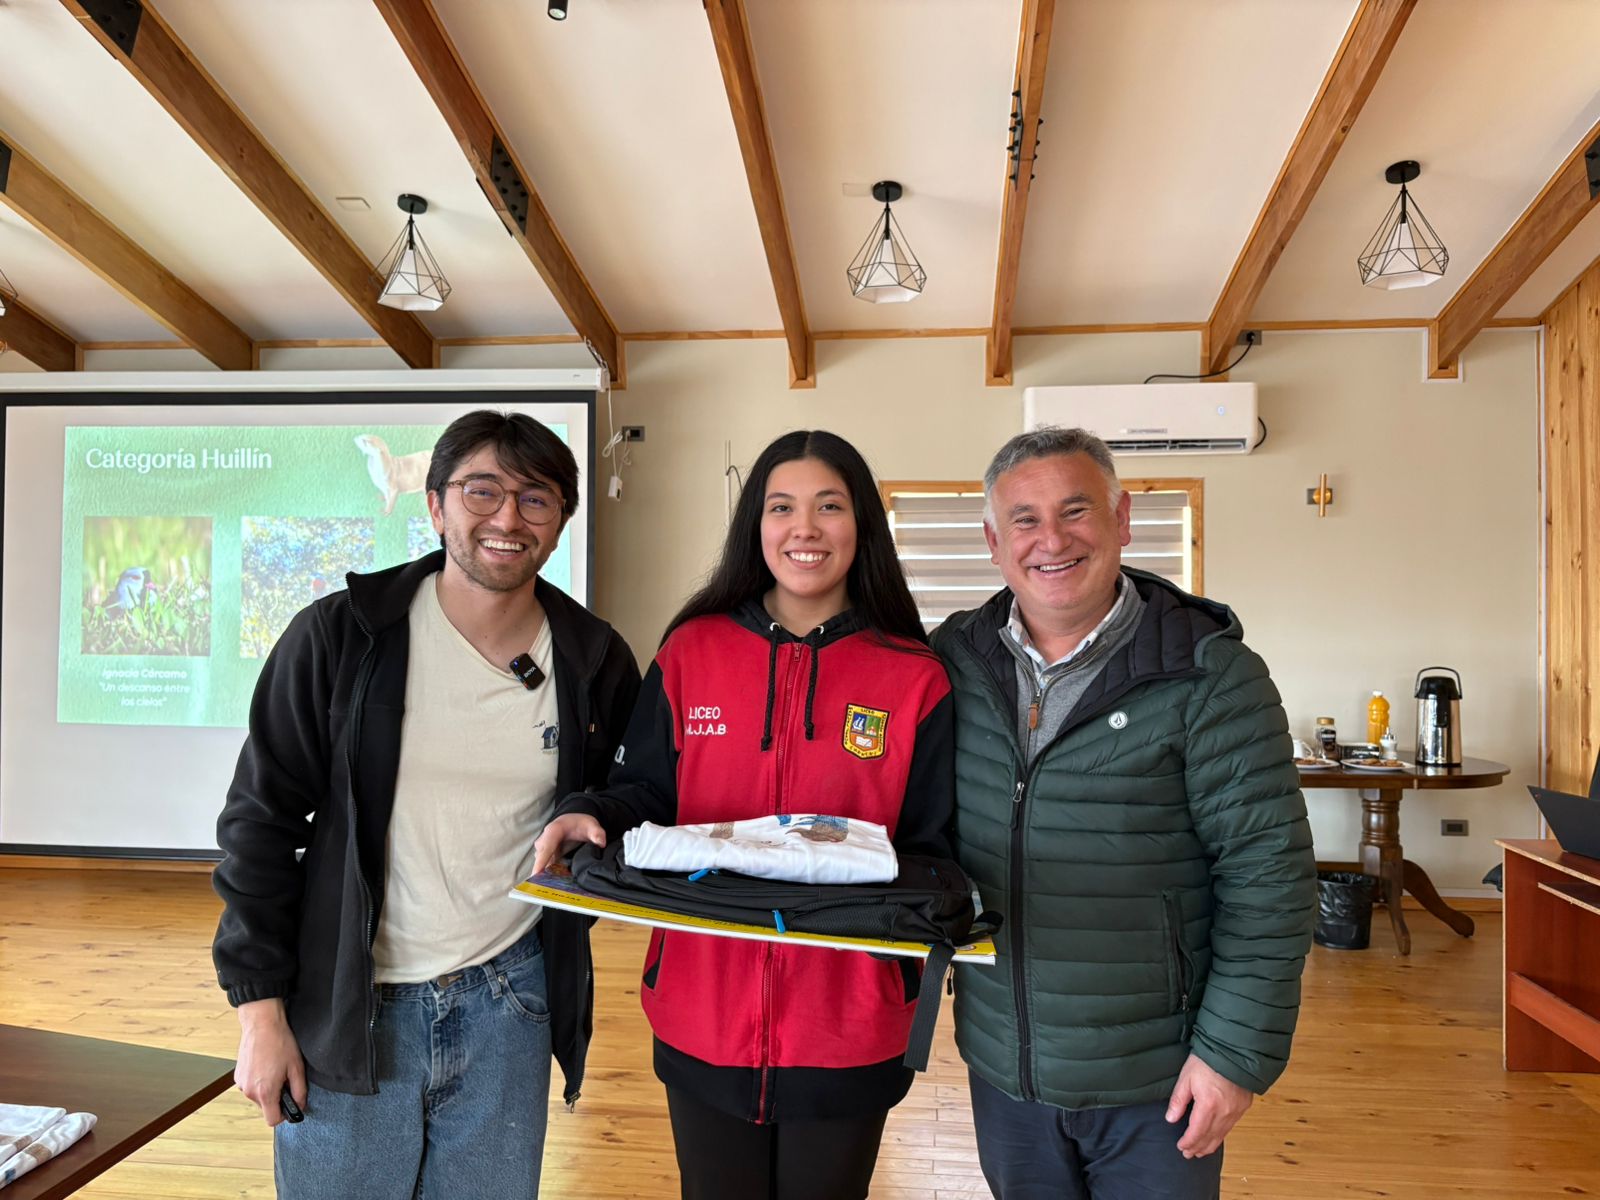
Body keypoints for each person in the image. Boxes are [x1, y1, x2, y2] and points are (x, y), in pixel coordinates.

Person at [212, 411, 640, 1200]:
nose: (507, 518)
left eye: (535, 499)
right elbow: (259, 825)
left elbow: (633, 787)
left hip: (511, 1001)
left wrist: (596, 811)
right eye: (482, 491)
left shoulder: (593, 657)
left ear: (560, 523)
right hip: (350, 1004)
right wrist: (260, 1017)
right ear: (435, 506)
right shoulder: (342, 638)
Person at [532, 430, 954, 1200]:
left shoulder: (915, 677)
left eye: (830, 506)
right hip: (702, 1011)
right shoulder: (691, 652)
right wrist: (589, 811)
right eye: (781, 506)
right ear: (754, 527)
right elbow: (649, 796)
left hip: (850, 1024)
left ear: (861, 525)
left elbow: (930, 847)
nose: (805, 528)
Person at [930, 426, 1315, 1199]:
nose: (1052, 540)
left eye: (1076, 512)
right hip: (1006, 1064)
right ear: (993, 541)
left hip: (1158, 1078)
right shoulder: (951, 664)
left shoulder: (1210, 677)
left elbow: (1269, 882)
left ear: (1122, 519)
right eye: (1025, 520)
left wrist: (1233, 1057)